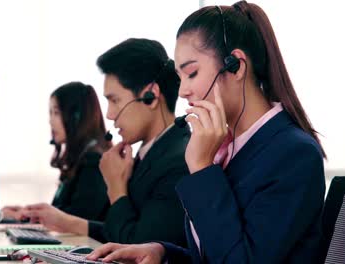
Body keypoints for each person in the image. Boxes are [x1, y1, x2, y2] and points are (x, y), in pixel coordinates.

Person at [87, 1, 326, 263]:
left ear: (236, 66)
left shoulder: (292, 154)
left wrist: (201, 168)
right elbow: (216, 250)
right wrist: (163, 253)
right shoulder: (227, 147)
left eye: (192, 73)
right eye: (180, 77)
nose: (182, 91)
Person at [21, 38, 189, 247]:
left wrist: (116, 188)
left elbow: (138, 245)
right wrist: (64, 221)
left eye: (115, 100)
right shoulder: (151, 153)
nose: (109, 115)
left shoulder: (180, 161)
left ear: (151, 96)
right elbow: (117, 231)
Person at [2, 82, 111, 222]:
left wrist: (27, 217)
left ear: (77, 117)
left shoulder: (94, 161)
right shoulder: (79, 159)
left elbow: (78, 219)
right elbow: (62, 212)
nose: (50, 121)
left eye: (56, 113)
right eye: (50, 113)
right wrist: (27, 213)